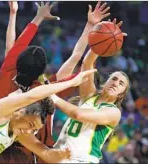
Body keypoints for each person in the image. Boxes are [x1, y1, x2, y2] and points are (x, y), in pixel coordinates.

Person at [0, 1, 111, 163]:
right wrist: (91, 28)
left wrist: (35, 16)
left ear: (18, 62)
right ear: (42, 70)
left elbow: (12, 48)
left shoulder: (8, 73)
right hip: (32, 154)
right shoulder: (46, 90)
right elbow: (77, 57)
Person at [49, 19, 129, 163]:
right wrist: (103, 38)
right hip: (60, 155)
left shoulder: (113, 113)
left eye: (121, 83)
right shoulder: (89, 96)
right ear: (105, 83)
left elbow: (78, 114)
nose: (115, 83)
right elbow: (87, 63)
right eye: (113, 79)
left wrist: (52, 96)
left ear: (121, 94)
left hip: (83, 160)